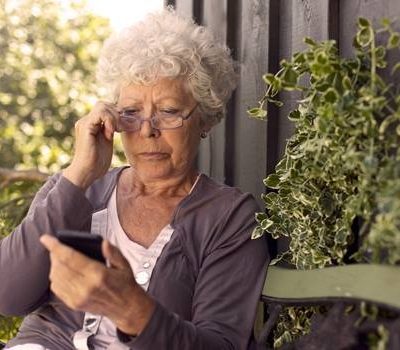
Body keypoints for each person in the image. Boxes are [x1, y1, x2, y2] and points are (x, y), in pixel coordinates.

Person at [0, 8, 269, 350]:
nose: (146, 131)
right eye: (130, 113)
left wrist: (134, 311)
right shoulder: (76, 187)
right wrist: (79, 173)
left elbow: (220, 344)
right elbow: (7, 296)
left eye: (168, 112)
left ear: (205, 119)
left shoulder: (229, 217)